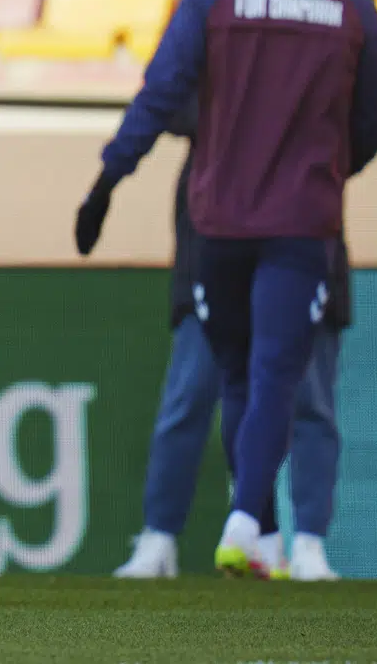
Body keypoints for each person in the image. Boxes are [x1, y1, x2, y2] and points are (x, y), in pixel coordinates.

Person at [75, 0, 377, 578]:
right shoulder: (351, 8)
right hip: (301, 223)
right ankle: (260, 528)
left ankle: (250, 525)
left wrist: (106, 183)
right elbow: (372, 123)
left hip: (217, 224)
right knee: (279, 372)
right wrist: (322, 170)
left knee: (236, 375)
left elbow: (157, 98)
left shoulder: (211, 1)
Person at [115, 98, 346, 582]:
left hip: (304, 246)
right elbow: (168, 98)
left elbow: (361, 120)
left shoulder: (322, 52)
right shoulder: (214, 51)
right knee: (191, 398)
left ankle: (307, 543)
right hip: (218, 253)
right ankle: (161, 537)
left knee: (310, 403)